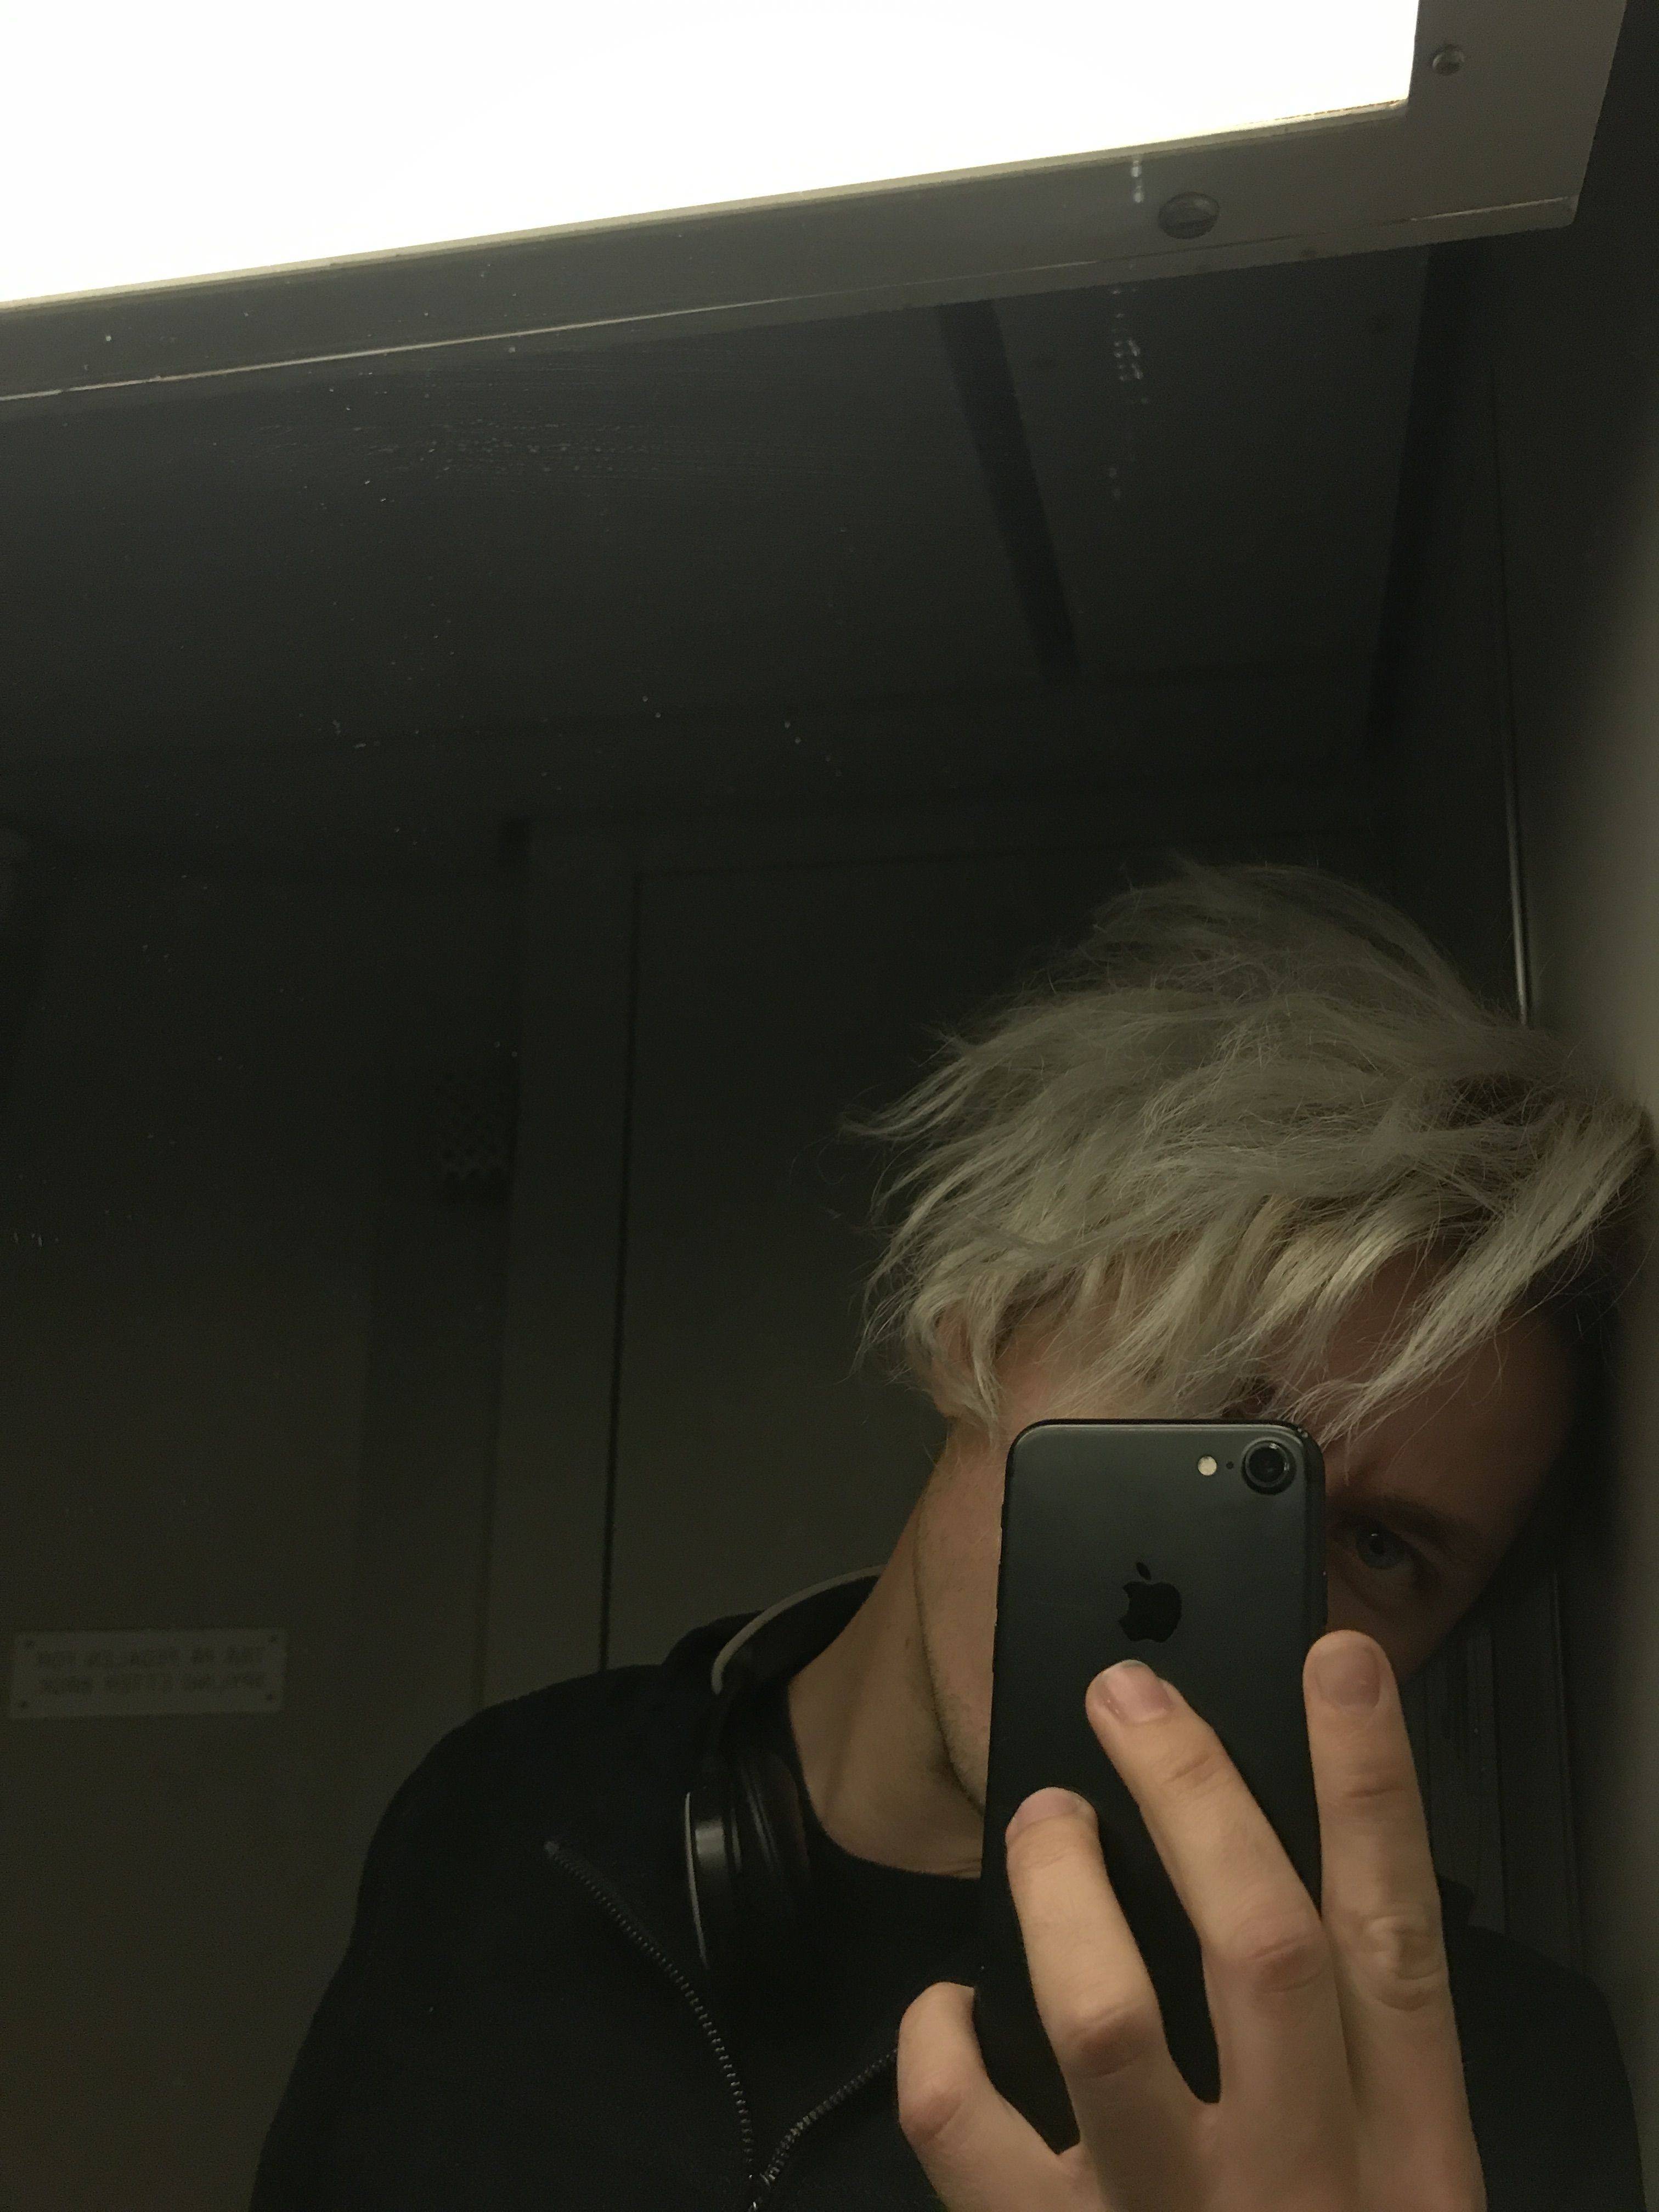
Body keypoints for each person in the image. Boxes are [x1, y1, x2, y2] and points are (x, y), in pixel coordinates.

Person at [250, 861, 1654, 2212]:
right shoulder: (502, 1812)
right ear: (969, 1324)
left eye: (1386, 1550)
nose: (1255, 1584)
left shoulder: (1502, 2095)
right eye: (1211, 1431)